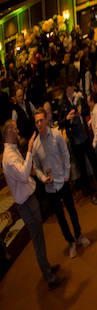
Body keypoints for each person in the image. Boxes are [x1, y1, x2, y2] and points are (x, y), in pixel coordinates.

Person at [1, 120, 65, 289]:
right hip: (26, 204)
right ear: (9, 132)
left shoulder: (11, 151)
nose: (18, 130)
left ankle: (47, 268)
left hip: (28, 201)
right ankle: (49, 278)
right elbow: (23, 174)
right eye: (15, 128)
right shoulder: (8, 156)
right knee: (38, 241)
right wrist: (29, 148)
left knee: (40, 240)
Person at [29, 107, 91, 260]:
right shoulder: (36, 145)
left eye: (41, 120)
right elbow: (36, 167)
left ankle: (79, 235)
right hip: (50, 187)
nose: (39, 124)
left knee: (72, 210)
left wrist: (66, 174)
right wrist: (43, 178)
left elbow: (66, 154)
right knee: (61, 218)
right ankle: (70, 241)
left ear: (46, 120)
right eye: (36, 122)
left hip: (62, 182)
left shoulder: (56, 135)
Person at [57, 81, 97, 203]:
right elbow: (60, 122)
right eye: (68, 89)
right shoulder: (62, 103)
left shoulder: (79, 97)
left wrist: (81, 111)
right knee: (83, 168)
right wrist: (67, 118)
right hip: (75, 140)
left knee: (95, 162)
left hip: (84, 136)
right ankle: (91, 193)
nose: (70, 91)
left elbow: (87, 109)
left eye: (71, 88)